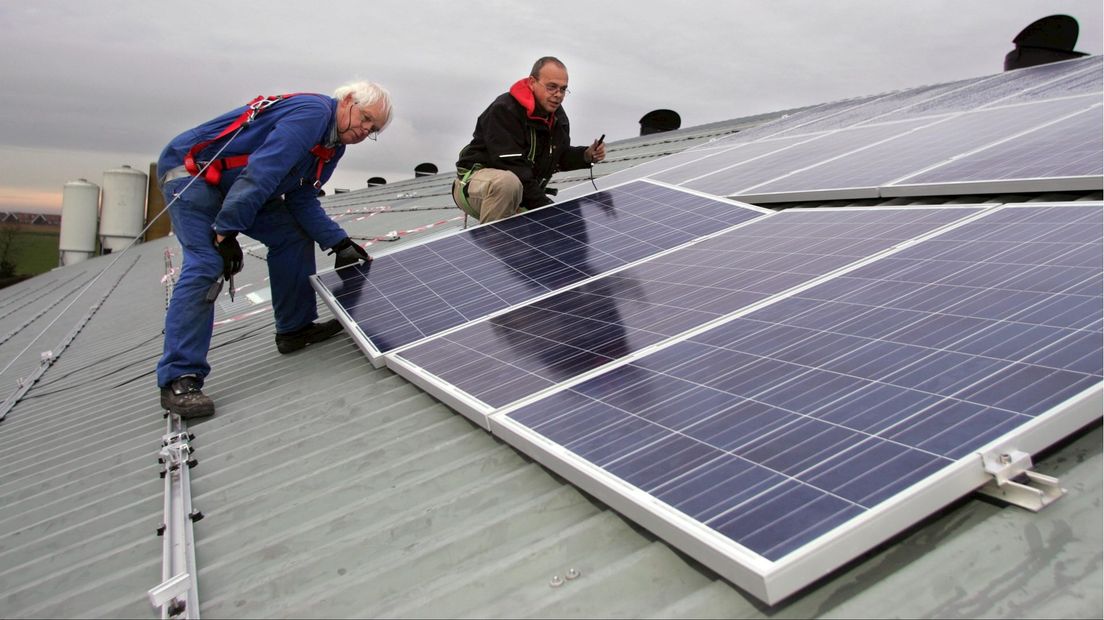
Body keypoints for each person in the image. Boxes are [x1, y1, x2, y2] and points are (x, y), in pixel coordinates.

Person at [156, 81, 392, 419]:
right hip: (193, 175)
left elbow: (301, 197)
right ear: (349, 101)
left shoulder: (332, 146)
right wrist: (225, 232)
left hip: (236, 186)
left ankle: (295, 328)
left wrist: (338, 242)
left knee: (292, 236)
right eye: (367, 118)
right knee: (207, 263)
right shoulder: (313, 113)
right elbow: (263, 170)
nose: (366, 130)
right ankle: (180, 377)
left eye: (374, 129)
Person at [453, 56, 606, 224]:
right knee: (508, 184)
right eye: (552, 87)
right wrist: (546, 207)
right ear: (532, 82)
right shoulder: (505, 110)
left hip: (520, 189)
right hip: (475, 184)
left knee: (566, 227)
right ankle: (495, 244)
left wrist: (585, 155)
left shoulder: (557, 118)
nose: (558, 95)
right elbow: (514, 167)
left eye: (563, 89)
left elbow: (556, 156)